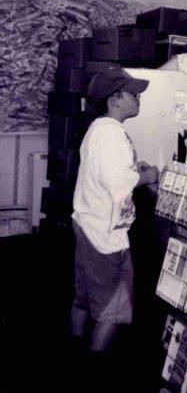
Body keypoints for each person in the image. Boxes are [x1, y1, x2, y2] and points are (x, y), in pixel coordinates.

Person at [70, 65, 159, 355]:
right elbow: (119, 184)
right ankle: (95, 374)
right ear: (115, 99)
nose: (138, 98)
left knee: (83, 298)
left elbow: (109, 173)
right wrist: (150, 175)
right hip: (105, 238)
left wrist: (134, 168)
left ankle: (74, 349)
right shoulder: (111, 134)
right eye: (133, 93)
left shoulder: (99, 130)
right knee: (113, 307)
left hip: (88, 226)